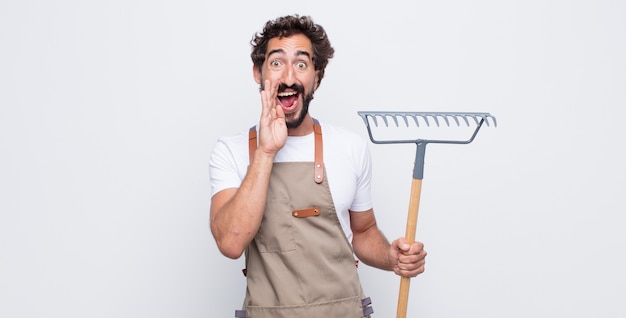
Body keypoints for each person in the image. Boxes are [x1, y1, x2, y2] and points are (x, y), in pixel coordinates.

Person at [209, 14, 427, 318]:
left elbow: (363, 231)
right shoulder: (231, 151)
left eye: (301, 64)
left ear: (317, 76)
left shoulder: (350, 147)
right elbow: (230, 243)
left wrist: (390, 256)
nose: (288, 77)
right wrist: (266, 152)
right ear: (258, 73)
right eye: (276, 63)